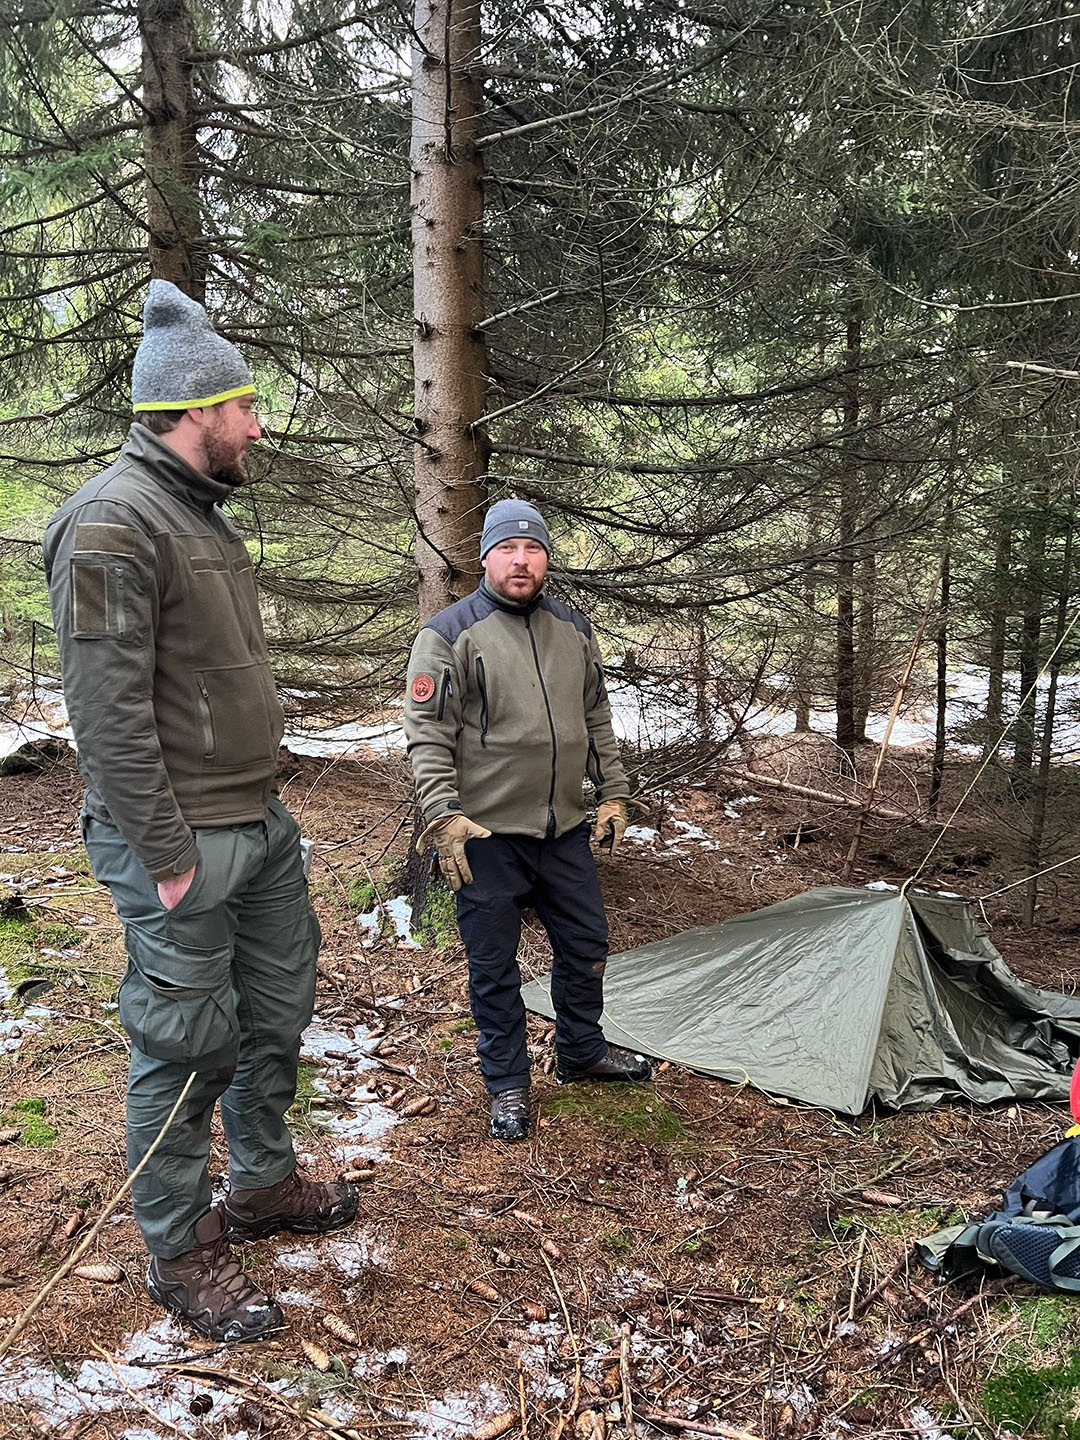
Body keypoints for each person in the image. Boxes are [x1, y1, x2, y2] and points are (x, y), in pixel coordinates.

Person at [43, 281, 358, 1344]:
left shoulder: (198, 515)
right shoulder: (111, 523)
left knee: (274, 1012)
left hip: (255, 826)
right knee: (184, 1042)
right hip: (178, 839)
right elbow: (106, 714)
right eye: (245, 407)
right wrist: (168, 856)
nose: (257, 427)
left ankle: (261, 1184)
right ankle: (179, 1249)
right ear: (194, 411)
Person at [403, 498, 651, 1143]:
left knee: (586, 945)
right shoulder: (449, 634)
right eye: (507, 549)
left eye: (532, 548)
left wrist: (614, 793)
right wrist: (443, 816)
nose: (521, 561)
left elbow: (596, 716)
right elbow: (427, 735)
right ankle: (508, 1082)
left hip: (563, 828)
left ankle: (581, 1050)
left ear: (545, 558)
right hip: (484, 835)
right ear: (486, 556)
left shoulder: (572, 628)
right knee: (494, 966)